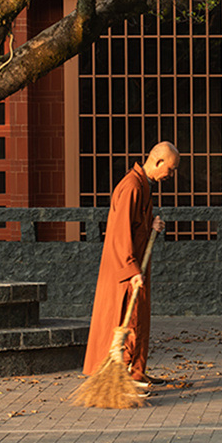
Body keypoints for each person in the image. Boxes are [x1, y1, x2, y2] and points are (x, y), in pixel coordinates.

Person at [83, 142, 177, 389]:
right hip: (125, 268)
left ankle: (136, 372)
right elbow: (119, 234)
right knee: (128, 320)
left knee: (139, 318)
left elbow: (136, 226)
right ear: (158, 162)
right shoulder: (131, 187)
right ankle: (123, 377)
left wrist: (151, 225)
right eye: (170, 169)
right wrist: (131, 270)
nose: (170, 175)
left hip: (136, 265)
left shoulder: (144, 185)